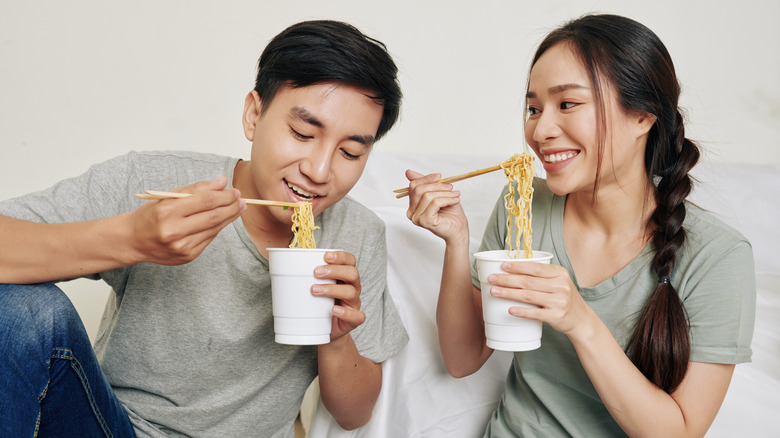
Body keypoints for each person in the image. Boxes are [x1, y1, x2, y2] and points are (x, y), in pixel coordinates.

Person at [0, 20, 408, 437]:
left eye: (350, 152)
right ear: (254, 114)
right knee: (24, 308)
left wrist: (335, 338)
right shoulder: (156, 181)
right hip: (112, 427)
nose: (319, 171)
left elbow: (355, 414)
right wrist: (132, 239)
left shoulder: (358, 233)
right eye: (303, 133)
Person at [404, 14, 755, 437]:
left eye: (567, 104)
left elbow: (678, 433)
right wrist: (456, 243)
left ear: (643, 116)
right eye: (533, 108)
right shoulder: (522, 203)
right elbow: (462, 359)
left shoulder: (719, 256)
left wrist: (580, 321)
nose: (541, 130)